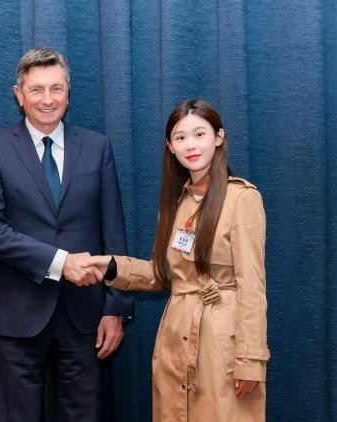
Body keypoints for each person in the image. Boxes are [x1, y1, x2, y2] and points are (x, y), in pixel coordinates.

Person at [0, 47, 134, 422]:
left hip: (86, 318)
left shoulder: (97, 147)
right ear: (19, 94)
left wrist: (116, 309)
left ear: (68, 92)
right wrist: (61, 263)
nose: (48, 99)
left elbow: (114, 234)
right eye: (37, 89)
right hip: (15, 317)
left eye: (56, 88)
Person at [88, 99, 270, 421]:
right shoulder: (175, 205)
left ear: (218, 138)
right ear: (170, 147)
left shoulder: (242, 198)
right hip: (174, 339)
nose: (190, 145)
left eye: (199, 134)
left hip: (222, 344)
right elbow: (164, 275)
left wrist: (250, 360)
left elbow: (252, 286)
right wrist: (112, 266)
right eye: (180, 137)